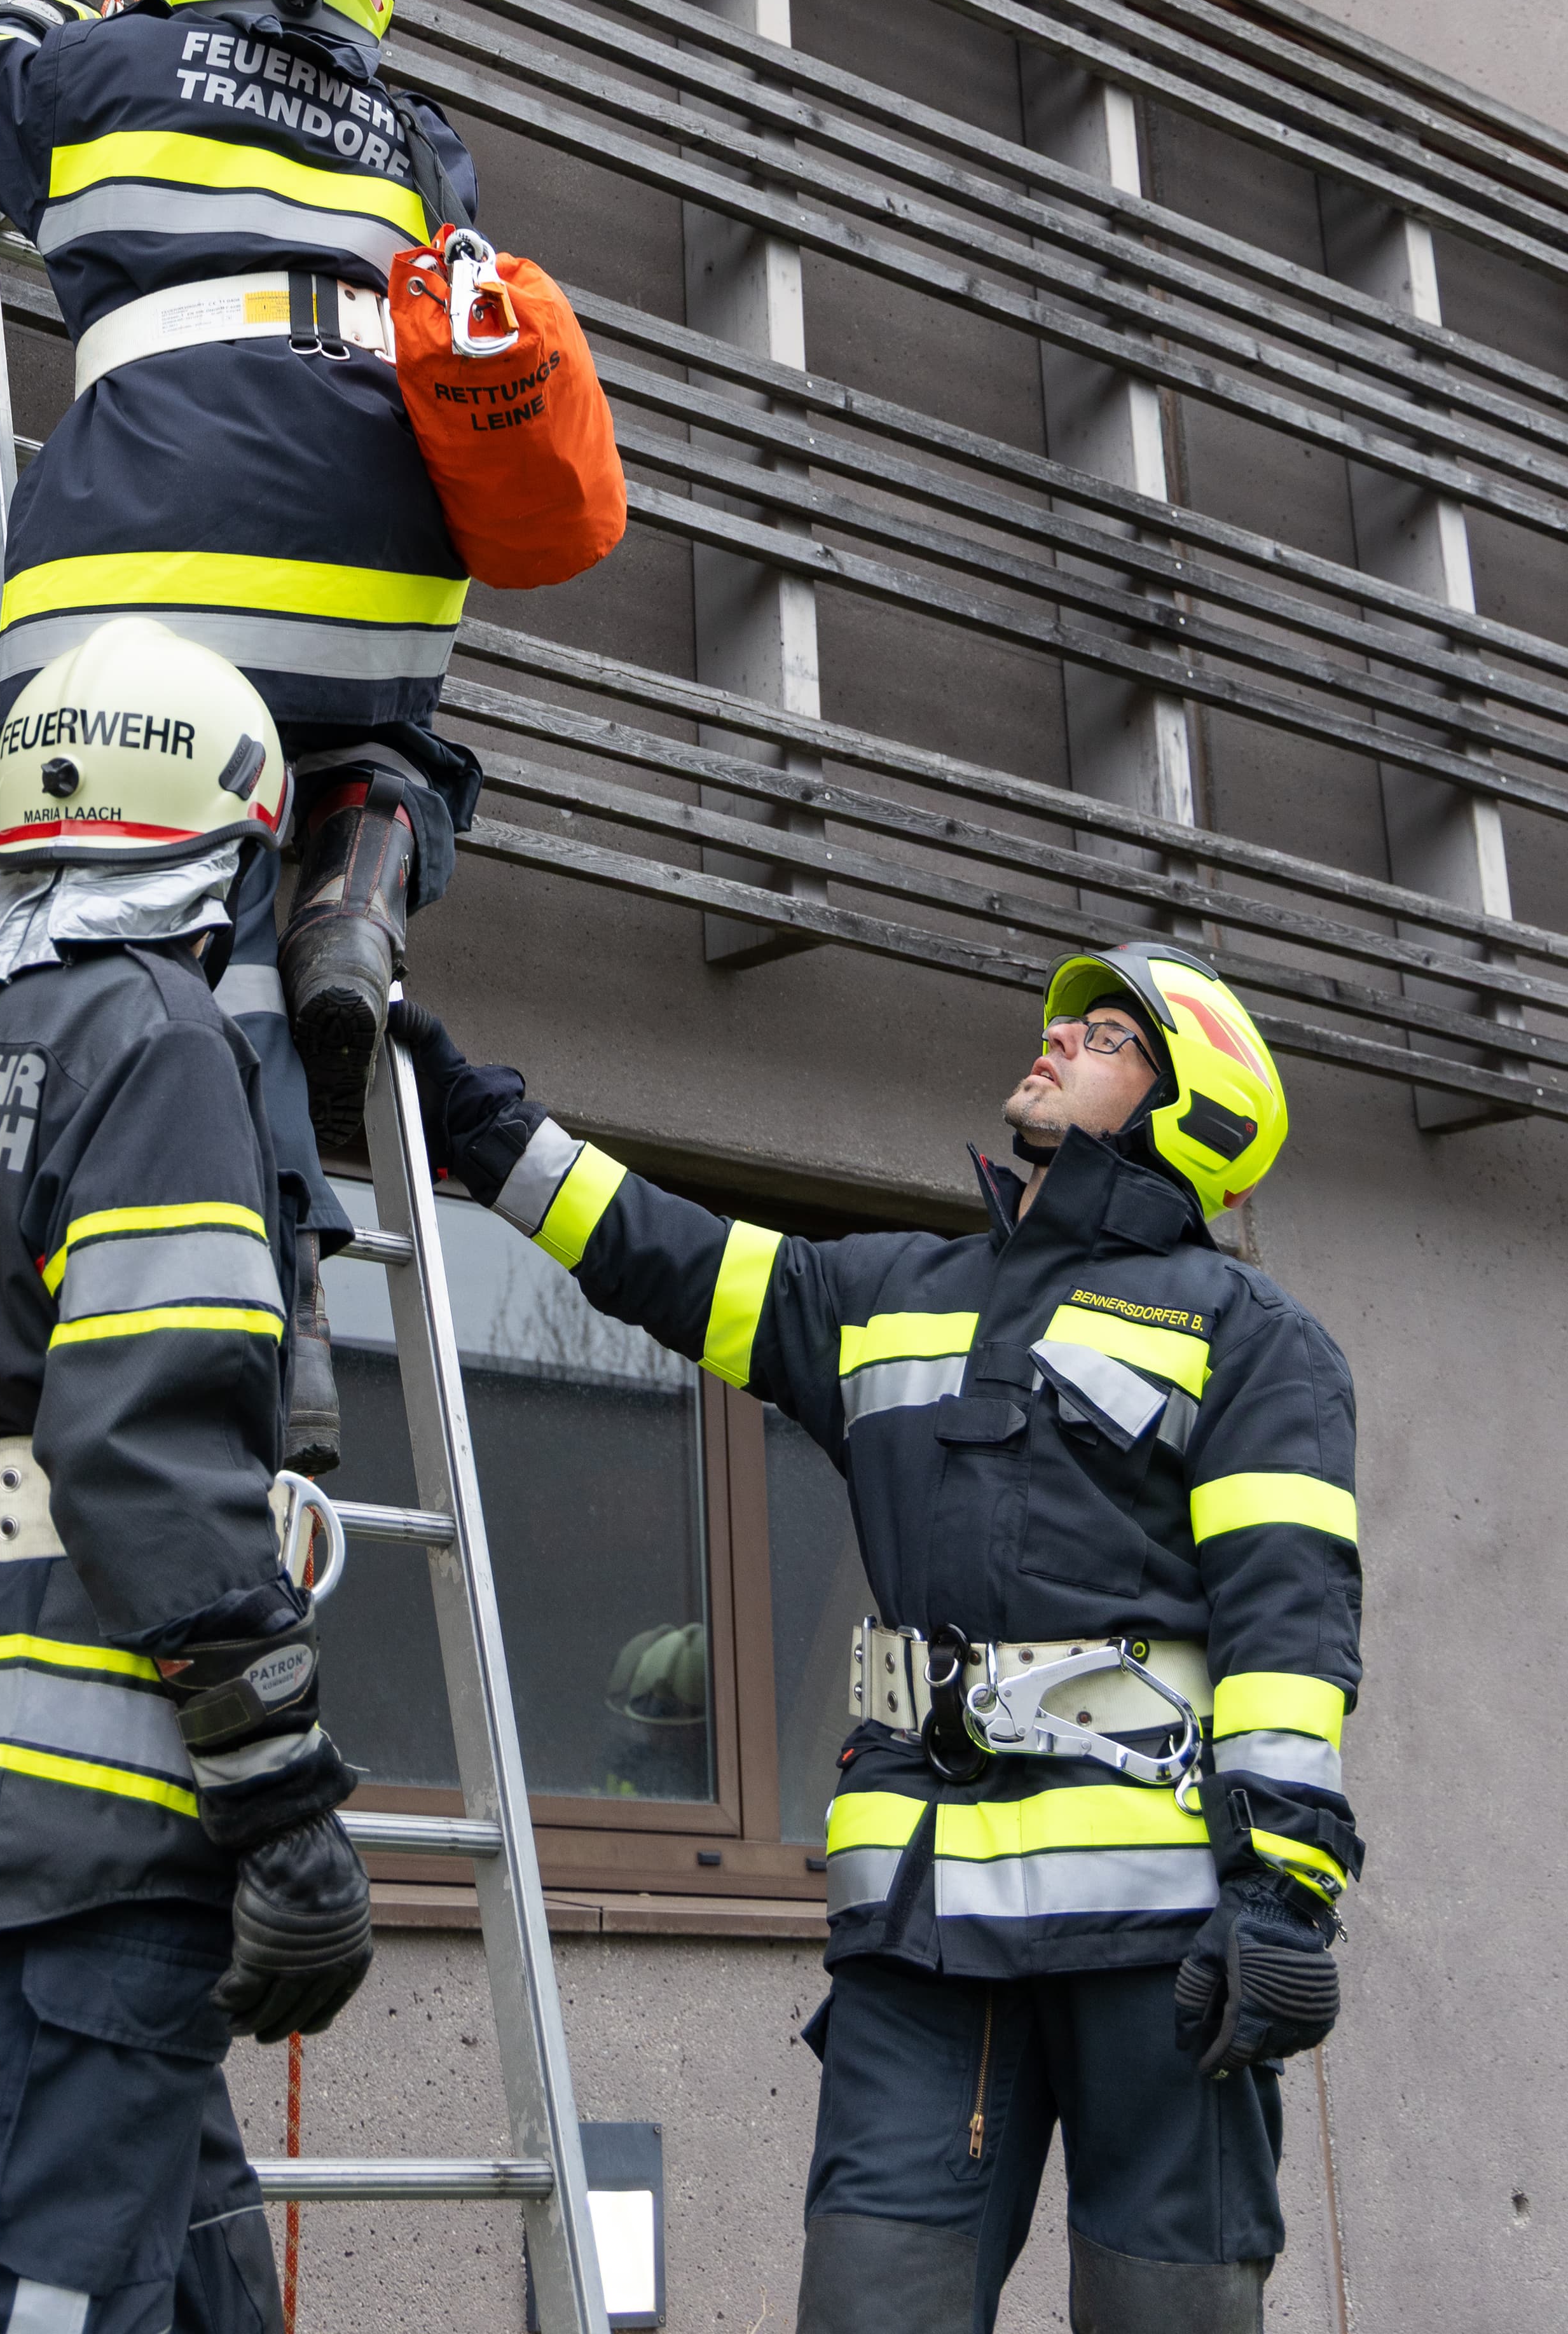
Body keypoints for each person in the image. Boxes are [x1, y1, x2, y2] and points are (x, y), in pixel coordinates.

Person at [398, 940, 1363, 2334]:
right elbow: (665, 1256)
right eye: (1064, 1023)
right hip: (921, 1940)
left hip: (1163, 1945)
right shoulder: (894, 1292)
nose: (1054, 1038)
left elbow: (1290, 1616)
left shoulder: (1255, 1338)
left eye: (1105, 1036)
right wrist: (486, 1135)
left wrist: (1283, 1891)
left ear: (1190, 1107)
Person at [0, 617, 374, 2334]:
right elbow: (143, 1433)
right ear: (214, 838)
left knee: (179, 2253)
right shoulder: (162, 1042)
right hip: (123, 1781)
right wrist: (282, 1796)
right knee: (20, 2293)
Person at [0, 0, 487, 1466]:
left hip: (154, 577)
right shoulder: (427, 143)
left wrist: (58, 9)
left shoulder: (114, 68)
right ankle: (366, 863)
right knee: (382, 752)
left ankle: (282, 1326)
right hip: (383, 596)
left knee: (188, 947)